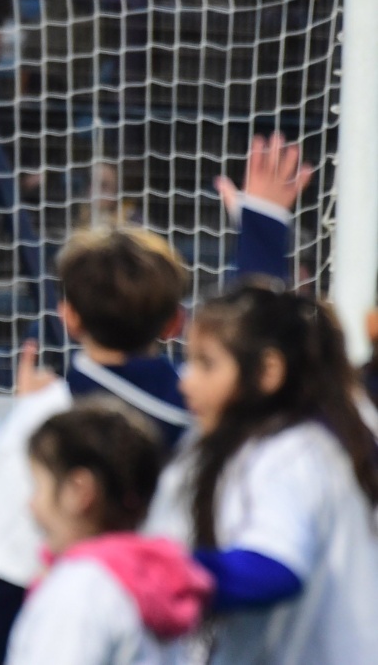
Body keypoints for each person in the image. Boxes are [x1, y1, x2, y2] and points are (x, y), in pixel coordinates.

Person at [0, 132, 312, 665]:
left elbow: (6, 585)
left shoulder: (43, 419)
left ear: (68, 316)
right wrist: (262, 225)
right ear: (176, 323)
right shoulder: (207, 411)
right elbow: (256, 352)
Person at [145, 280, 378, 664]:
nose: (186, 381)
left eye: (207, 364)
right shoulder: (232, 442)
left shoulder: (293, 454)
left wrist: (158, 570)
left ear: (268, 370)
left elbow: (275, 568)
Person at [5, 398, 212, 664]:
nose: (31, 504)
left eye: (39, 487)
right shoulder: (158, 580)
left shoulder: (78, 593)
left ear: (79, 491)